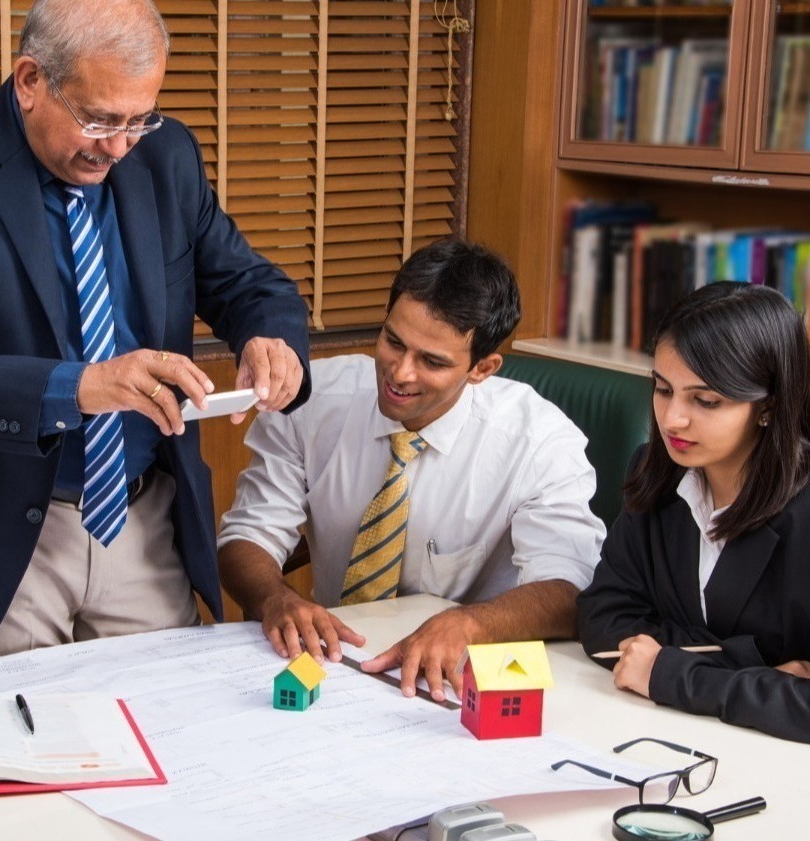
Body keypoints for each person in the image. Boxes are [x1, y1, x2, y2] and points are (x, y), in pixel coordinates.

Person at [0, 0, 312, 667]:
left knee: (168, 713)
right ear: (30, 80)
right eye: (98, 119)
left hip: (140, 514)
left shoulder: (166, 155)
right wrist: (78, 387)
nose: (118, 146)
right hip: (0, 532)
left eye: (138, 119)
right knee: (27, 729)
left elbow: (247, 283)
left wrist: (271, 338)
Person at [218, 239, 604, 702]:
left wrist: (470, 624)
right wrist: (274, 597)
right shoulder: (311, 400)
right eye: (393, 342)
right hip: (337, 664)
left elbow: (569, 588)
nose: (400, 373)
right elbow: (248, 535)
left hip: (459, 680)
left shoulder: (538, 440)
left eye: (432, 361)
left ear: (483, 369)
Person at [576, 281, 810, 755]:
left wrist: (675, 674)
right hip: (670, 739)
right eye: (663, 389)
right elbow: (602, 621)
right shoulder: (654, 471)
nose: (672, 419)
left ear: (768, 407)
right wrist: (755, 668)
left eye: (706, 401)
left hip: (795, 764)